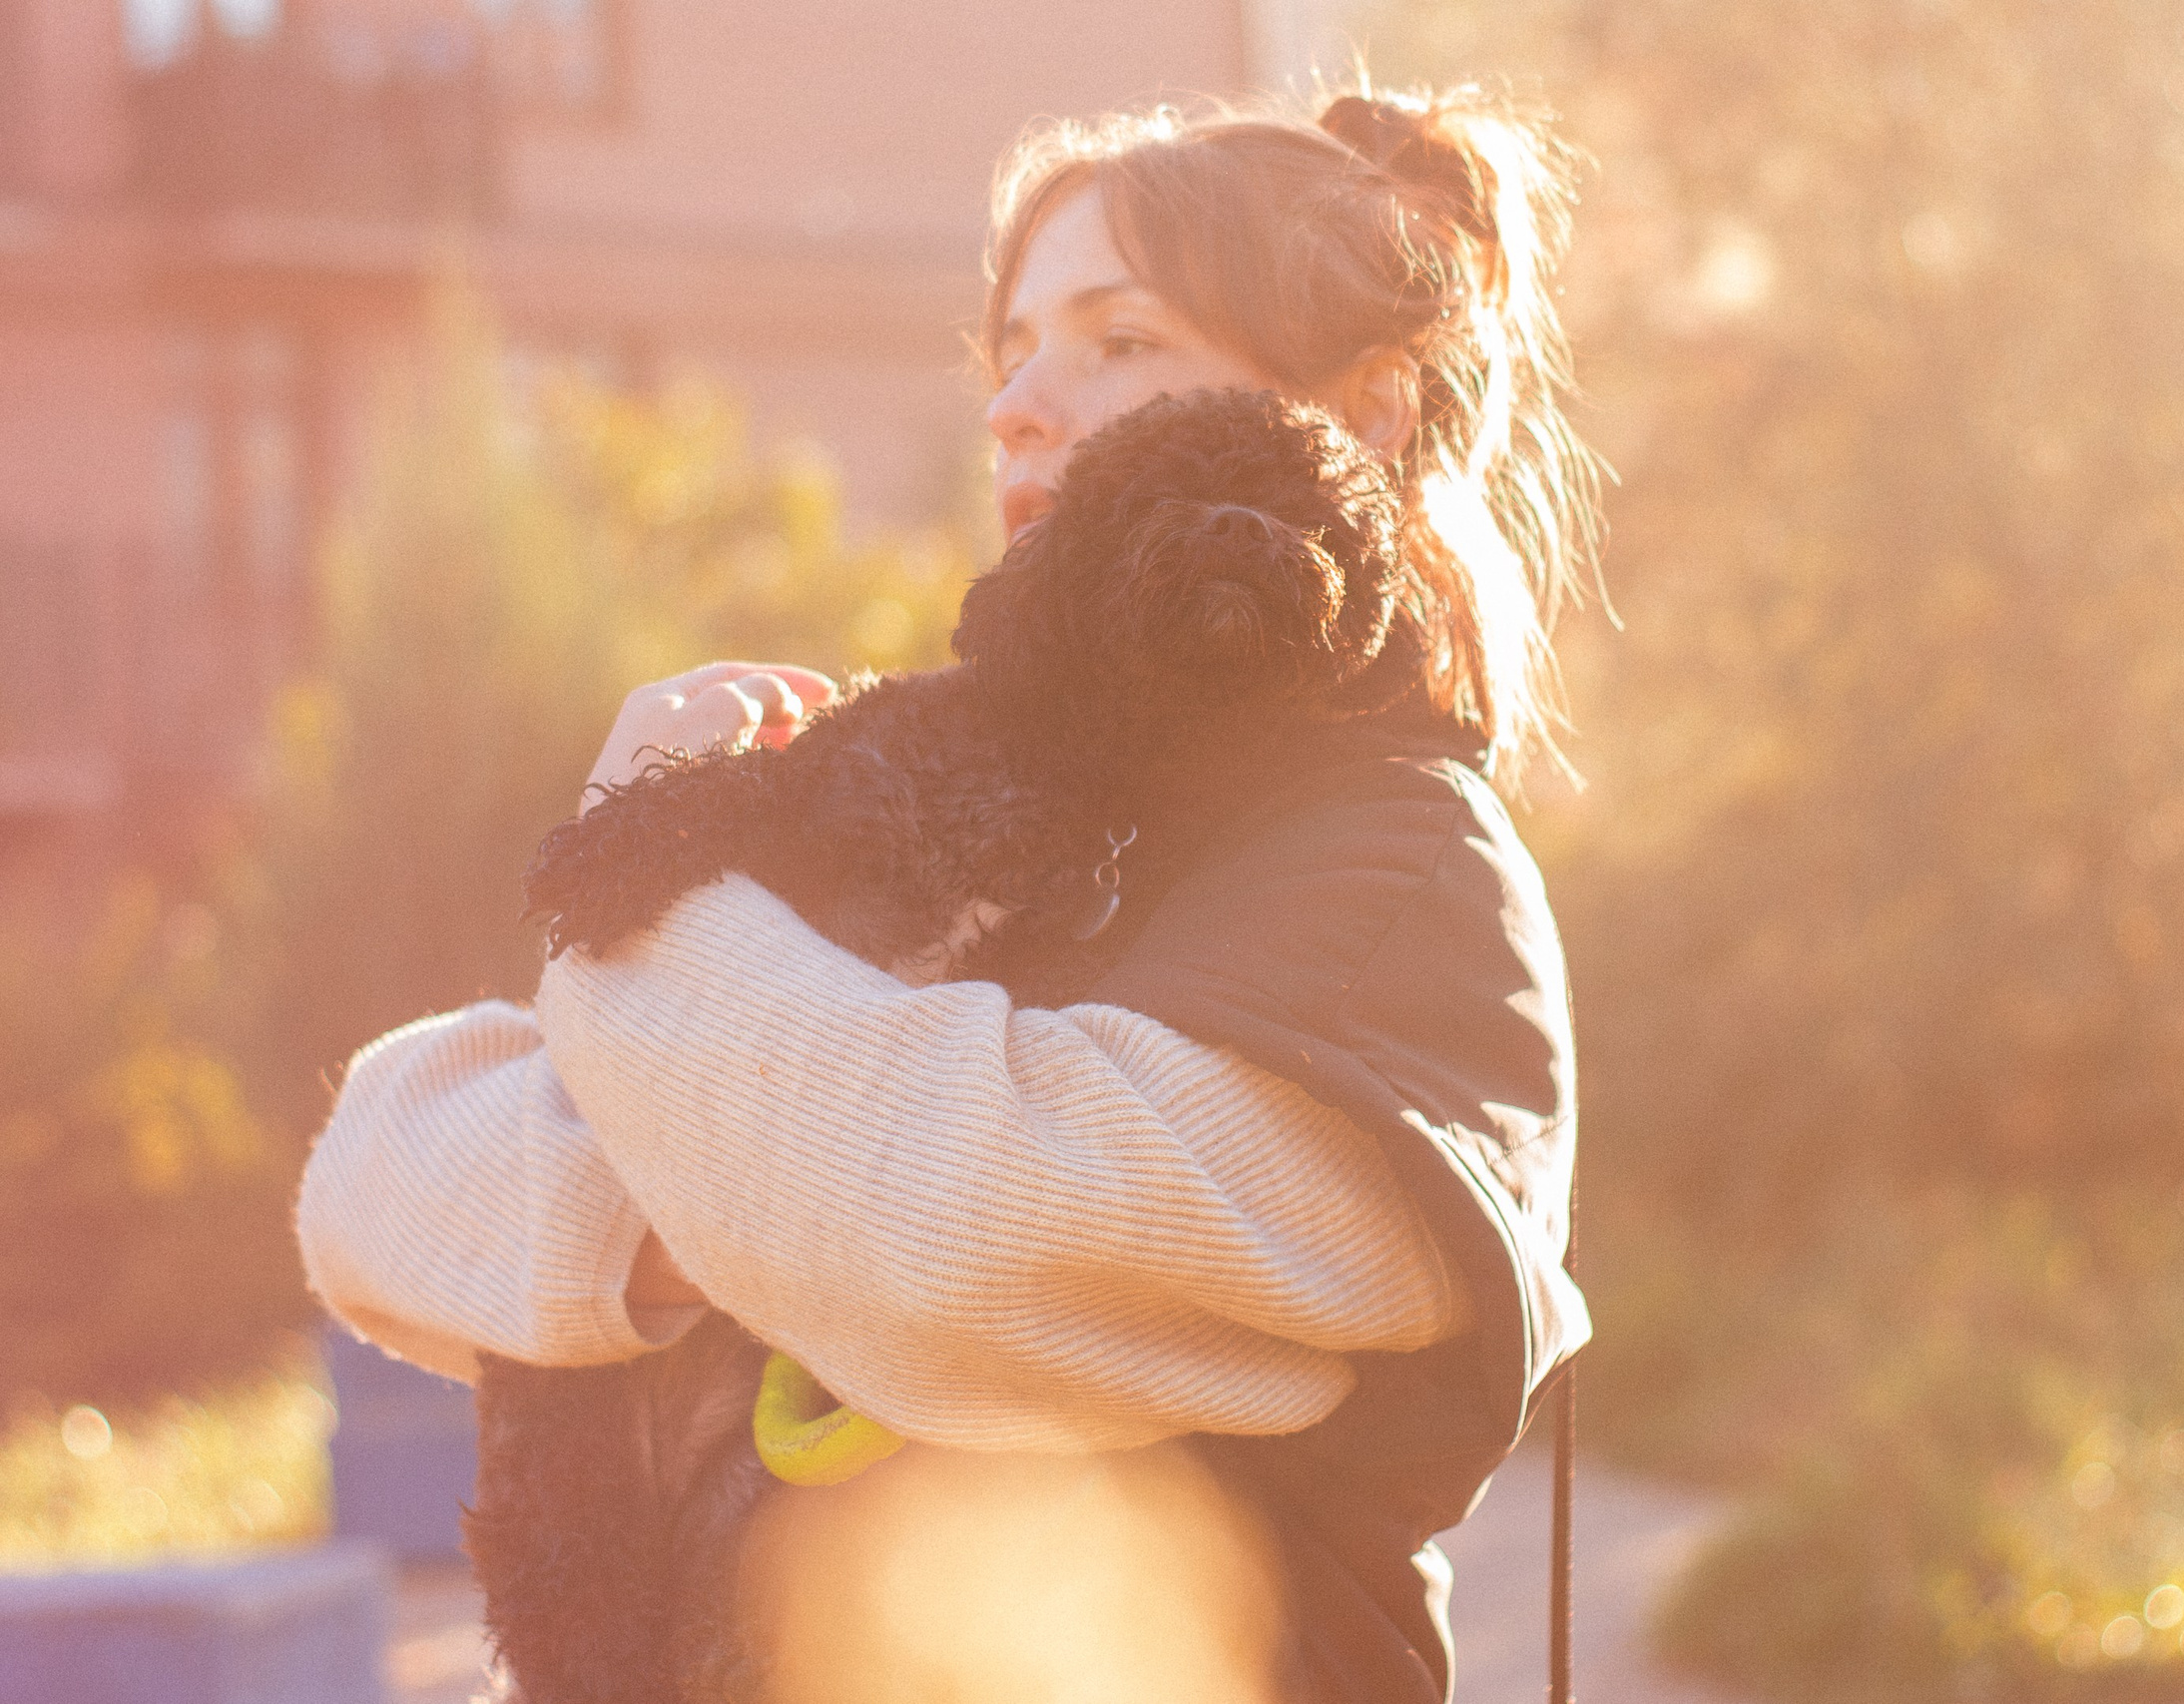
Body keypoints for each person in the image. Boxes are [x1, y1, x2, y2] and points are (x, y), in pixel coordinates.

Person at [297, 82, 1600, 1704]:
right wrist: (737, 1197)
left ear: (1373, 410)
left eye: (1119, 341)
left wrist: (653, 844)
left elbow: (955, 1249)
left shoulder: (1411, 884)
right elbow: (382, 1175)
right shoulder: (972, 819)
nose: (1022, 408)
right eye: (1015, 350)